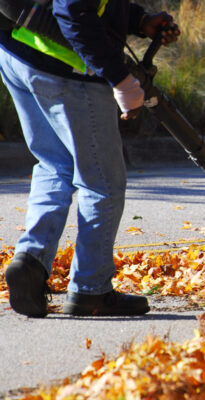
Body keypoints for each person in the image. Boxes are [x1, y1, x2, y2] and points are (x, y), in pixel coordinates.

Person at [0, 0, 179, 317]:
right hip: (65, 67)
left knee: (55, 165)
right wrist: (121, 80)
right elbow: (73, 11)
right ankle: (91, 291)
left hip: (20, 52)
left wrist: (138, 20)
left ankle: (30, 260)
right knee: (103, 182)